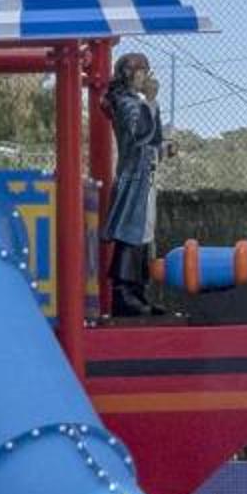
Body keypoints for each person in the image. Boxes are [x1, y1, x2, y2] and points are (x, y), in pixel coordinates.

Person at [101, 52, 166, 317]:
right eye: (143, 71)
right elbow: (140, 133)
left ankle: (136, 290)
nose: (146, 76)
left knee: (143, 233)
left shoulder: (134, 102)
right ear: (130, 74)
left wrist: (163, 148)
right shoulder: (125, 102)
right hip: (135, 176)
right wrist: (150, 100)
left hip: (144, 175)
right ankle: (124, 292)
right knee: (132, 232)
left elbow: (153, 138)